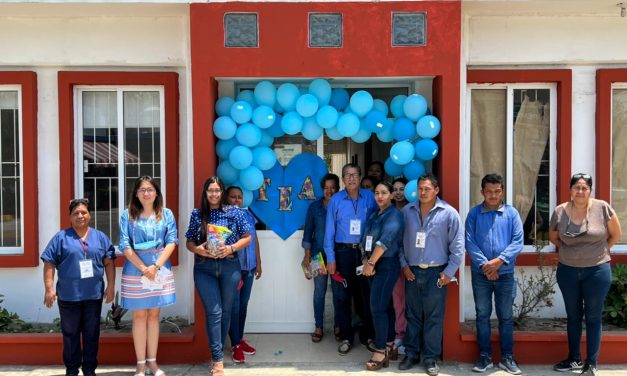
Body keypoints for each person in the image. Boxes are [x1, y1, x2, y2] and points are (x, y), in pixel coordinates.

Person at [549, 173, 622, 376]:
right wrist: (571, 252)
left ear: (590, 190)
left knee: (593, 317)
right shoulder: (560, 211)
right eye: (576, 187)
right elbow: (553, 236)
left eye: (584, 188)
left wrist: (599, 252)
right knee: (573, 316)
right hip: (568, 271)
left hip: (597, 271)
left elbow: (616, 234)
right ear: (570, 190)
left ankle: (591, 364)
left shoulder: (602, 208)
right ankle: (574, 359)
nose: (580, 191)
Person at [399, 173, 464, 376]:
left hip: (437, 273)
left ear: (436, 190)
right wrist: (403, 266)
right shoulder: (406, 212)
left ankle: (431, 357)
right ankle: (411, 353)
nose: (423, 192)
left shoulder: (449, 213)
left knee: (434, 317)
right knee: (413, 314)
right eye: (420, 189)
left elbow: (458, 247)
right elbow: (398, 242)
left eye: (427, 189)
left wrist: (448, 273)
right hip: (412, 271)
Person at [41, 198, 116, 376]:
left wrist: (111, 286)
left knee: (91, 335)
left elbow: (109, 263)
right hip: (69, 297)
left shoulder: (100, 237)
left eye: (83, 212)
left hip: (93, 296)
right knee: (70, 335)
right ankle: (72, 370)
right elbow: (49, 263)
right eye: (76, 213)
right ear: (70, 217)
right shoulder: (61, 238)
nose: (80, 216)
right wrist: (49, 289)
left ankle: (89, 370)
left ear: (89, 215)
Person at [186, 176, 251, 376]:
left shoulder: (235, 213)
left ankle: (219, 351)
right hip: (204, 269)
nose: (214, 194)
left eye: (217, 190)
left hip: (230, 267)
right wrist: (198, 249)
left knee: (226, 312)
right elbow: (189, 241)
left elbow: (247, 237)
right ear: (205, 193)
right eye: (210, 190)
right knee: (214, 312)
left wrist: (231, 247)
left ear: (222, 192)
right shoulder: (197, 214)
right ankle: (217, 360)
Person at [465, 174, 524, 375]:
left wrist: (498, 262)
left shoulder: (512, 214)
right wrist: (485, 266)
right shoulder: (474, 214)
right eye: (489, 191)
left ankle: (507, 357)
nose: (493, 195)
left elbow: (518, 241)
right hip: (480, 275)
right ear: (482, 192)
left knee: (506, 317)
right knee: (482, 315)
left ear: (502, 191)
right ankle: (485, 356)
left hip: (505, 274)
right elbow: (469, 242)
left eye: (497, 191)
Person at [120, 176, 178, 376]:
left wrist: (155, 266)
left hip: (159, 268)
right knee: (139, 316)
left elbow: (171, 241)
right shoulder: (127, 215)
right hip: (136, 269)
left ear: (156, 193)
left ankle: (153, 362)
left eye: (150, 189)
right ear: (136, 193)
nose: (146, 193)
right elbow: (125, 245)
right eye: (142, 189)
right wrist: (145, 268)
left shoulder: (166, 214)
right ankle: (140, 364)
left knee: (154, 315)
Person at [324, 163, 377, 355]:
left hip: (365, 253)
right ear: (343, 179)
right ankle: (346, 336)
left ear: (360, 177)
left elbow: (377, 223)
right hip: (343, 253)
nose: (351, 178)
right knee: (343, 296)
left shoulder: (370, 198)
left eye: (355, 175)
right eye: (347, 175)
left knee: (367, 296)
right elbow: (329, 232)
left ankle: (367, 336)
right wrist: (331, 258)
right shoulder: (336, 200)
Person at [361, 181, 403, 371]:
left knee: (377, 307)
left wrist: (371, 263)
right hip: (371, 264)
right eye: (377, 193)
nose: (380, 196)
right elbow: (365, 239)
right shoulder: (373, 215)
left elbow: (385, 240)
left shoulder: (394, 215)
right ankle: (388, 344)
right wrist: (365, 259)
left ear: (391, 195)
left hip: (386, 265)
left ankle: (380, 351)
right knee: (385, 306)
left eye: (384, 193)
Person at [225, 186, 262, 363]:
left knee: (244, 305)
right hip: (235, 269)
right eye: (233, 197)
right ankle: (235, 345)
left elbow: (254, 239)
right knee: (235, 306)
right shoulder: (224, 218)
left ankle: (239, 339)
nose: (237, 200)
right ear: (226, 198)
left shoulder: (247, 215)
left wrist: (259, 263)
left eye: (239, 197)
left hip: (250, 268)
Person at [302, 173, 340, 343]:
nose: (329, 191)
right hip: (318, 255)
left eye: (333, 188)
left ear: (338, 189)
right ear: (322, 189)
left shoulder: (343, 205)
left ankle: (339, 326)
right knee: (319, 292)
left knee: (339, 293)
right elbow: (308, 232)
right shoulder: (314, 207)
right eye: (326, 188)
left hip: (339, 254)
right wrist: (307, 257)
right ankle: (318, 326)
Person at [390, 177, 409, 357]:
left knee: (412, 301)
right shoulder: (388, 210)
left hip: (411, 262)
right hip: (392, 261)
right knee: (398, 301)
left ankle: (411, 337)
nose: (397, 192)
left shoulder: (414, 210)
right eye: (394, 189)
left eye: (402, 188)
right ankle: (400, 334)